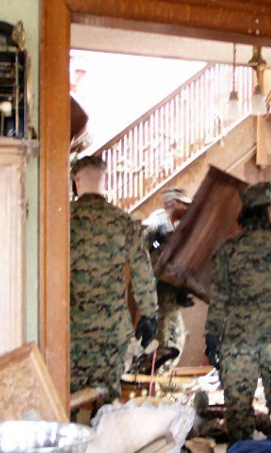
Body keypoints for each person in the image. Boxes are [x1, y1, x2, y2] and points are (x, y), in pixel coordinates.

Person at [205, 182, 271, 442]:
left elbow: (218, 301)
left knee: (238, 413)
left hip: (238, 344)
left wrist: (212, 336)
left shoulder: (228, 249)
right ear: (269, 210)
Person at [70, 155, 158, 399]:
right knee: (107, 399)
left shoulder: (61, 219)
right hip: (111, 330)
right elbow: (142, 271)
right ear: (104, 181)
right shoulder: (124, 222)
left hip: (70, 329)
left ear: (76, 181)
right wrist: (149, 314)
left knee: (68, 400)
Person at [144, 188, 194, 370]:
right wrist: (160, 242)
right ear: (173, 203)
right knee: (163, 337)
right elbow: (144, 249)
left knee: (174, 336)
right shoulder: (158, 222)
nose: (187, 208)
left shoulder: (180, 226)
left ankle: (161, 372)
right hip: (158, 288)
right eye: (183, 204)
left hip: (172, 290)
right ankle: (155, 374)